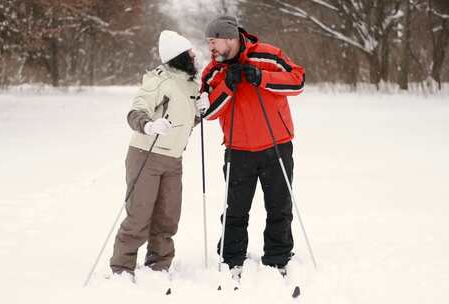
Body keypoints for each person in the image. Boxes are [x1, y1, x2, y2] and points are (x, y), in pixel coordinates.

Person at [200, 16, 305, 277]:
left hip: (276, 146)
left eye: (214, 41)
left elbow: (298, 81)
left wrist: (261, 77)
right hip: (238, 150)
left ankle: (278, 256)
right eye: (208, 42)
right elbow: (206, 112)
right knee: (235, 209)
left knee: (279, 206)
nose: (210, 48)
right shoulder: (213, 71)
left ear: (230, 38)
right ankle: (232, 258)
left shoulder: (269, 56)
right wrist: (228, 86)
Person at [110, 30, 208, 277]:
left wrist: (200, 111)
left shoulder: (192, 85)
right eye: (190, 52)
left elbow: (185, 122)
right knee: (139, 214)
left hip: (174, 159)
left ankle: (158, 265)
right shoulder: (158, 80)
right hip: (146, 154)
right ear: (179, 56)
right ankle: (122, 268)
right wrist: (149, 125)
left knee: (168, 216)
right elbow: (136, 111)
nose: (194, 55)